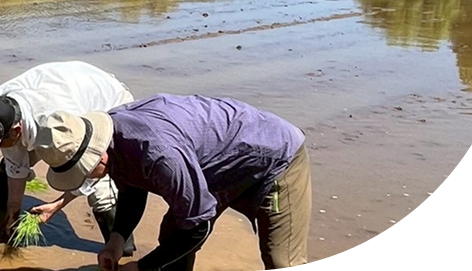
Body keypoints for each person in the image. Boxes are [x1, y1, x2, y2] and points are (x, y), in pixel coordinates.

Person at [32, 94, 312, 271]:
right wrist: (116, 241)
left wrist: (142, 267)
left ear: (99, 155)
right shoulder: (113, 138)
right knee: (171, 237)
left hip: (272, 160)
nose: (87, 179)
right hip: (213, 165)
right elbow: (133, 187)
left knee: (280, 261)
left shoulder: (159, 154)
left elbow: (197, 225)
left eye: (84, 172)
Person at [0, 61, 137, 251]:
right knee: (12, 160)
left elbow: (89, 170)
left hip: (108, 103)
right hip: (64, 86)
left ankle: (121, 250)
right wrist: (13, 210)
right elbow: (15, 162)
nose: (0, 148)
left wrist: (57, 205)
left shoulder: (56, 125)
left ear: (16, 130)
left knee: (101, 192)